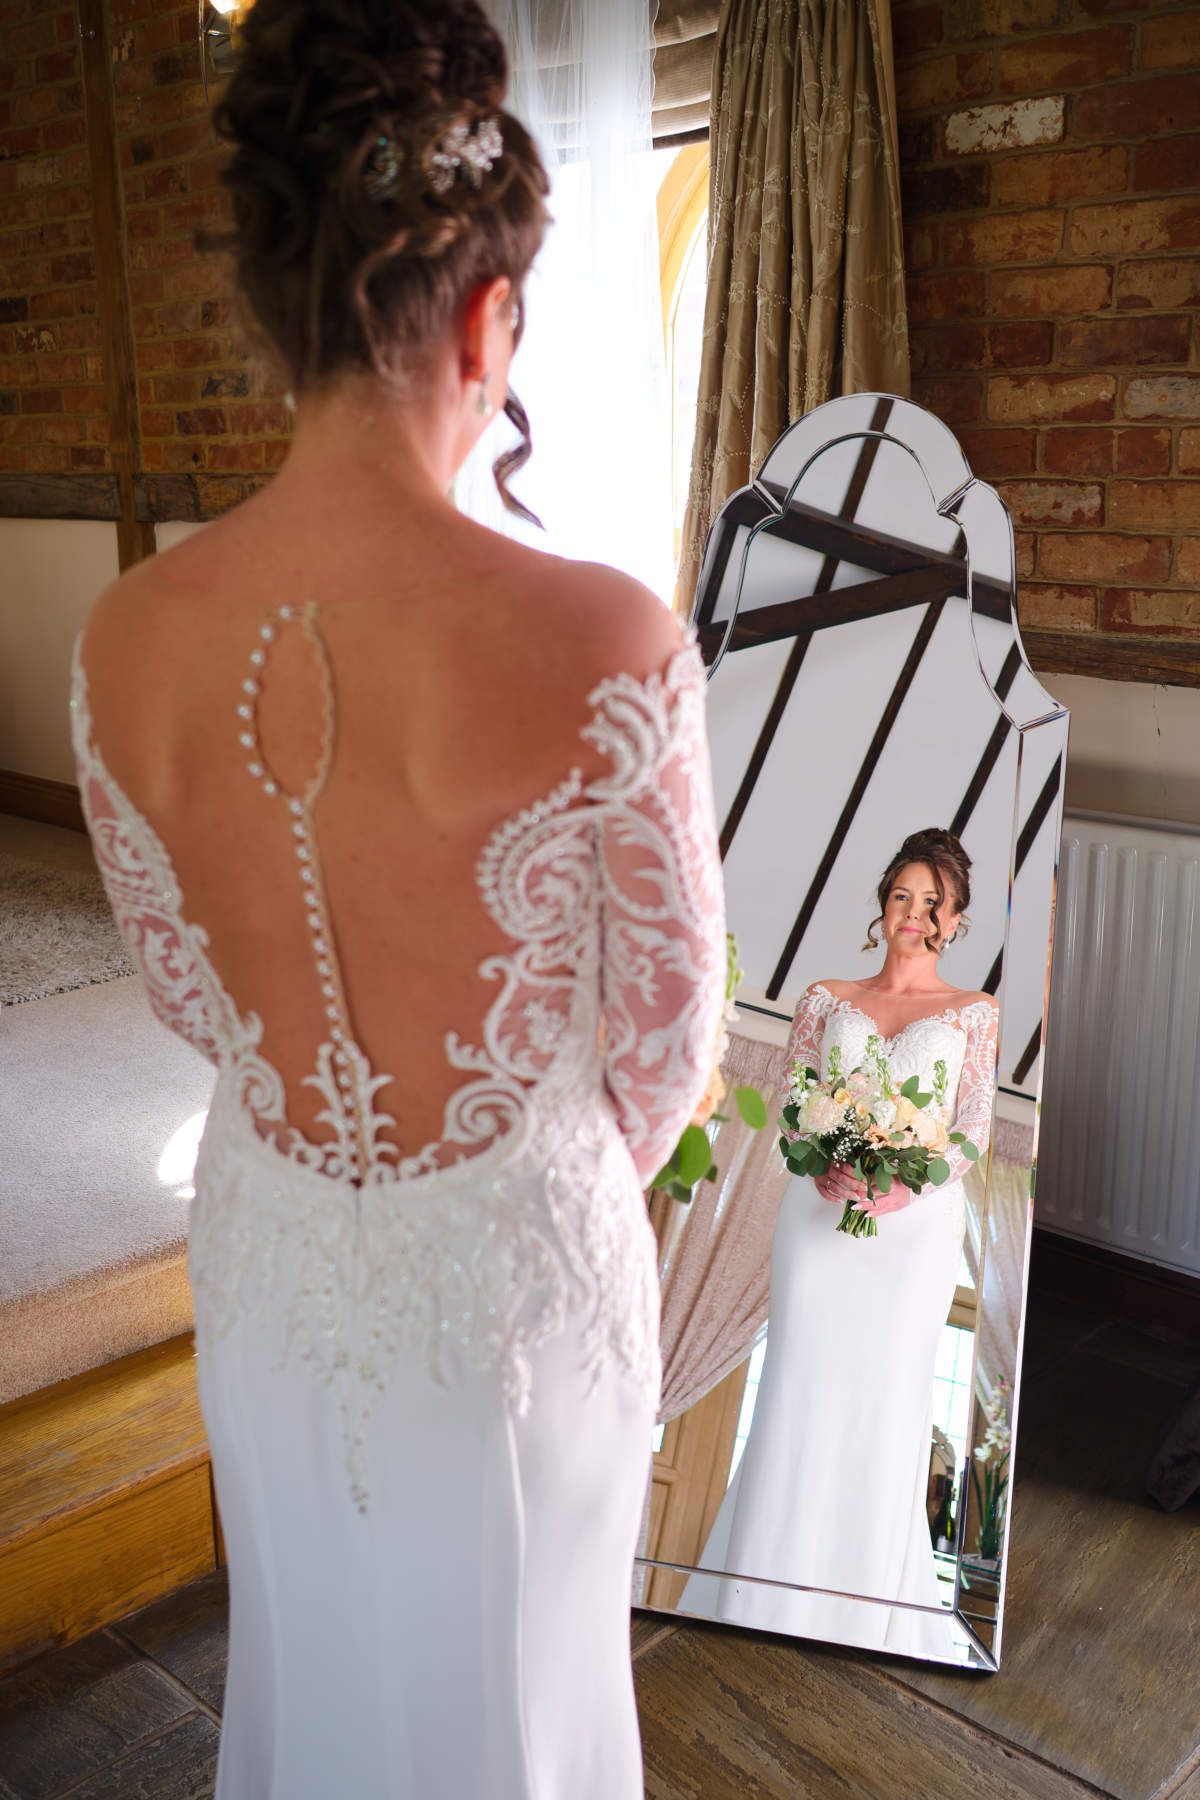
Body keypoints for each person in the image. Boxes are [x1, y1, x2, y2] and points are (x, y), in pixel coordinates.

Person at [67, 3, 727, 1794]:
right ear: (492, 318)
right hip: (521, 1290)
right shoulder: (605, 637)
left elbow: (187, 997)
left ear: (274, 312)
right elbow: (670, 1047)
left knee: (314, 1667)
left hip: (270, 1267)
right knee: (520, 1708)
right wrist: (519, 1175)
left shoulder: (122, 638)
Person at [680, 829, 998, 1658]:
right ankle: (759, 1588)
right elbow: (795, 1105)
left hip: (913, 1232)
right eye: (902, 896)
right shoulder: (824, 998)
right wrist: (820, 1162)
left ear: (955, 920)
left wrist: (907, 1185)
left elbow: (971, 1129)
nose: (914, 915)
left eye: (933, 904)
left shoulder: (975, 1013)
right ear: (883, 904)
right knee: (799, 1385)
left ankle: (862, 1613)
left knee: (885, 1399)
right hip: (819, 1219)